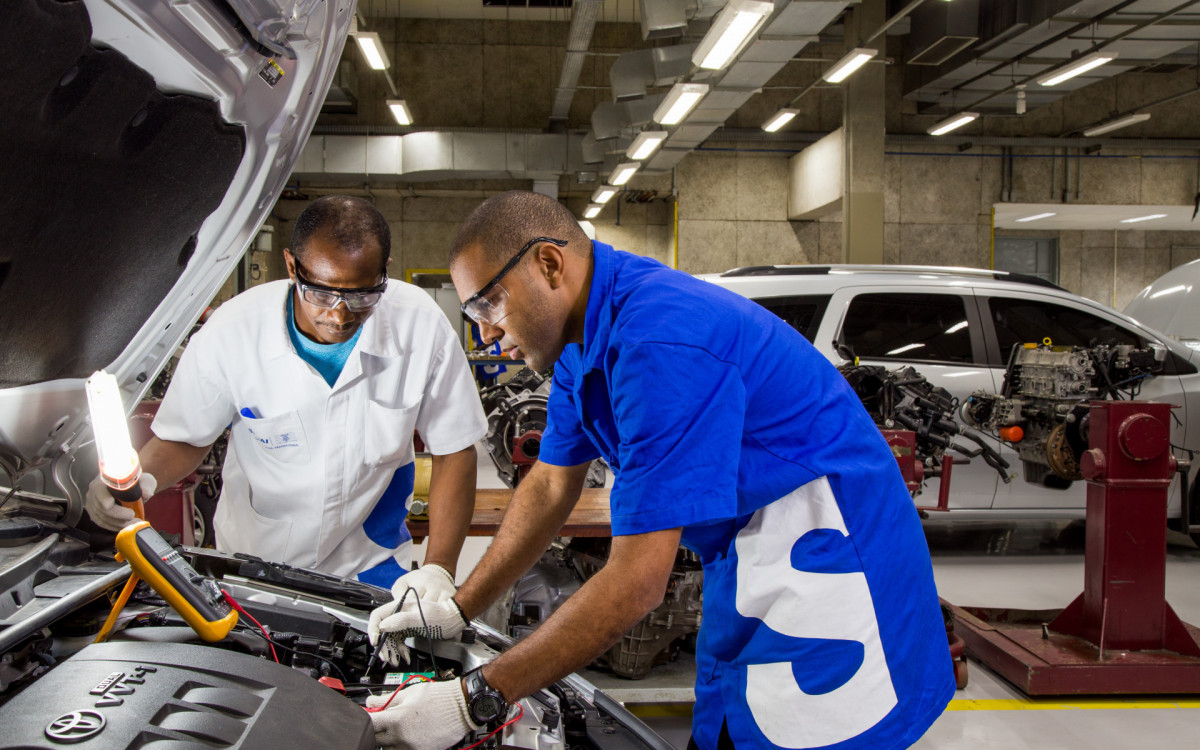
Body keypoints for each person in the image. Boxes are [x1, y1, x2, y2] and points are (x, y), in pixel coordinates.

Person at [365, 190, 954, 750]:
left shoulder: (660, 342)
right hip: (747, 553)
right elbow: (549, 485)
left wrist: (477, 699)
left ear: (549, 263)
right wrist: (458, 606)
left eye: (488, 304)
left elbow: (637, 582)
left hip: (833, 559)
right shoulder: (581, 341)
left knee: (810, 729)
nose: (485, 333)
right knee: (730, 723)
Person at [85, 195, 487, 597]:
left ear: (385, 274)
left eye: (363, 296)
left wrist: (439, 571)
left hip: (371, 565)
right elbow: (186, 438)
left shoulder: (420, 326)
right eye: (323, 294)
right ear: (292, 267)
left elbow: (454, 449)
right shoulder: (232, 333)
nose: (341, 314)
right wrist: (139, 479)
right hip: (253, 567)